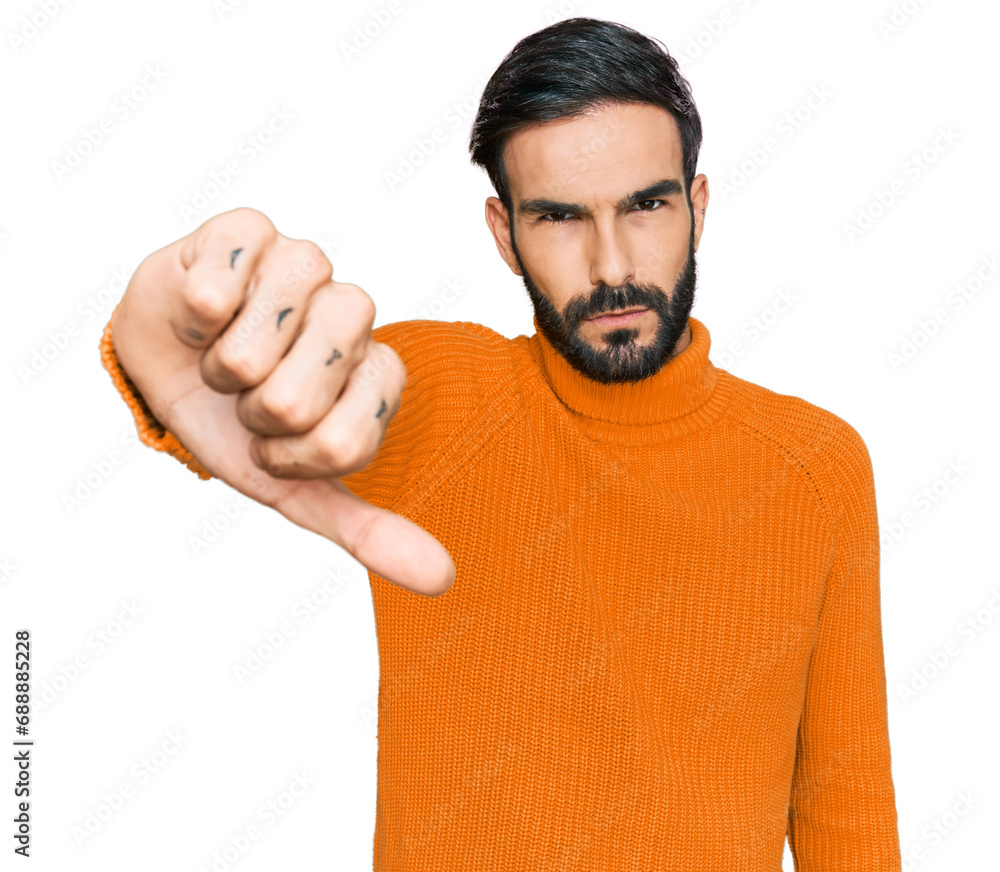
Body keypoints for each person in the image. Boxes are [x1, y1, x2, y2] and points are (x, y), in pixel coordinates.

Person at [99, 16, 902, 872]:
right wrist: (182, 360)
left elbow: (846, 817)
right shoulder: (434, 393)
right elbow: (281, 404)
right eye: (559, 217)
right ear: (503, 233)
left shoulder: (815, 466)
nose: (612, 265)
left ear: (697, 207)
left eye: (647, 205)